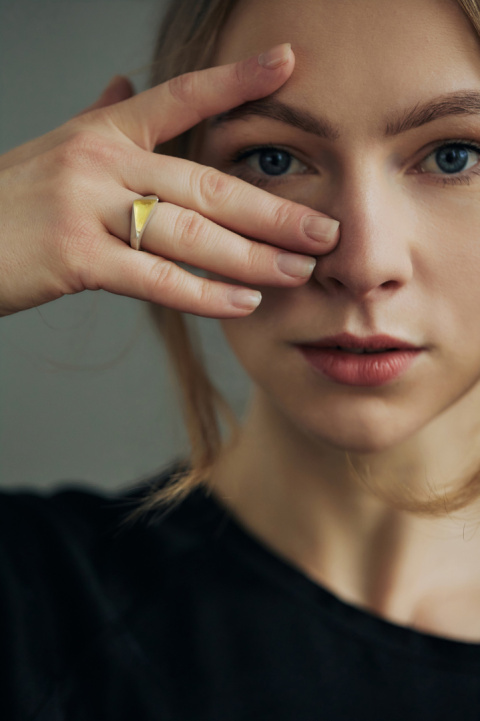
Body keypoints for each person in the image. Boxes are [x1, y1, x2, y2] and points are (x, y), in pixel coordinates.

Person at [3, 0, 480, 717]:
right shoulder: (33, 607)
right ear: (165, 183)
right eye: (274, 159)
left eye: (455, 156)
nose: (362, 262)